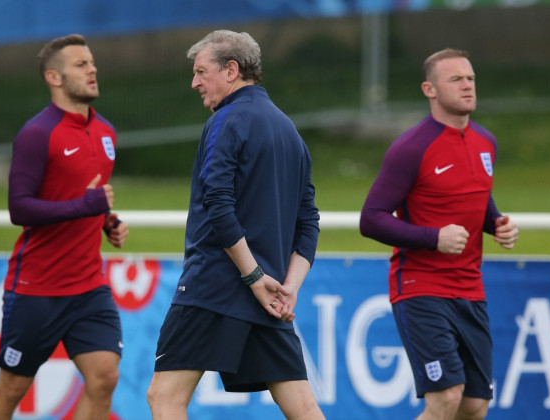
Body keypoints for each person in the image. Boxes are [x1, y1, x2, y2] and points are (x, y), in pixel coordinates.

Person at [146, 30, 325, 419]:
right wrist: (287, 287)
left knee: (165, 397)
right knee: (303, 407)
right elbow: (308, 221)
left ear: (231, 70)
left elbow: (218, 205)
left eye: (200, 71)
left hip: (215, 286)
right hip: (269, 294)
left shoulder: (226, 120)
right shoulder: (289, 130)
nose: (194, 83)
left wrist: (253, 276)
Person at [359, 48, 519, 420]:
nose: (467, 86)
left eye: (471, 78)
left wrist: (496, 223)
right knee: (445, 397)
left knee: (474, 405)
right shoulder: (411, 148)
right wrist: (434, 238)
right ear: (429, 89)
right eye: (456, 79)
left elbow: (475, 194)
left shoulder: (486, 142)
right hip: (421, 285)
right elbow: (371, 219)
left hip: (470, 287)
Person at [0, 34, 129, 420]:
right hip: (37, 288)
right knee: (11, 388)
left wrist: (106, 222)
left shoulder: (107, 132)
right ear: (54, 78)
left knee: (104, 379)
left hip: (88, 286)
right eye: (81, 65)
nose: (93, 69)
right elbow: (20, 208)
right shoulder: (37, 134)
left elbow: (86, 198)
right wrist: (87, 206)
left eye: (92, 62)